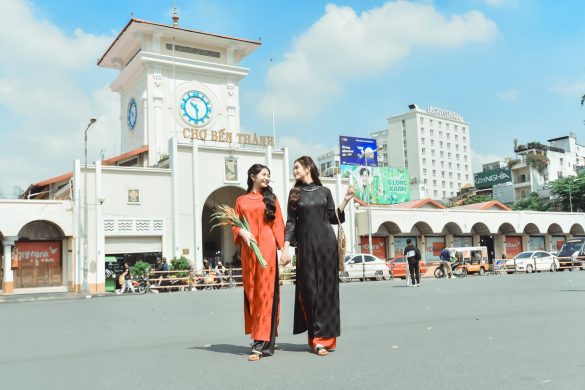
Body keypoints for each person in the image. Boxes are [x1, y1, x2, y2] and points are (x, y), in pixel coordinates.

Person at [280, 156, 354, 357]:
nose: (294, 170)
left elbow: (332, 217)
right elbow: (291, 223)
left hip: (326, 246)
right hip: (305, 248)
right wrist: (285, 248)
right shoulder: (294, 193)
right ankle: (315, 337)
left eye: (296, 167)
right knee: (309, 291)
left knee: (326, 292)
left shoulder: (324, 192)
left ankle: (322, 340)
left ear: (307, 167)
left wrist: (346, 201)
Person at [233, 163, 285, 361]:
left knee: (265, 293)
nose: (267, 178)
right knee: (252, 292)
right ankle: (263, 335)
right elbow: (234, 223)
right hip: (248, 252)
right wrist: (241, 231)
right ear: (252, 176)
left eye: (268, 175)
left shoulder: (271, 199)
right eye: (264, 174)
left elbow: (278, 224)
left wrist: (285, 250)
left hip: (267, 249)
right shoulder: (240, 200)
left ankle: (259, 340)